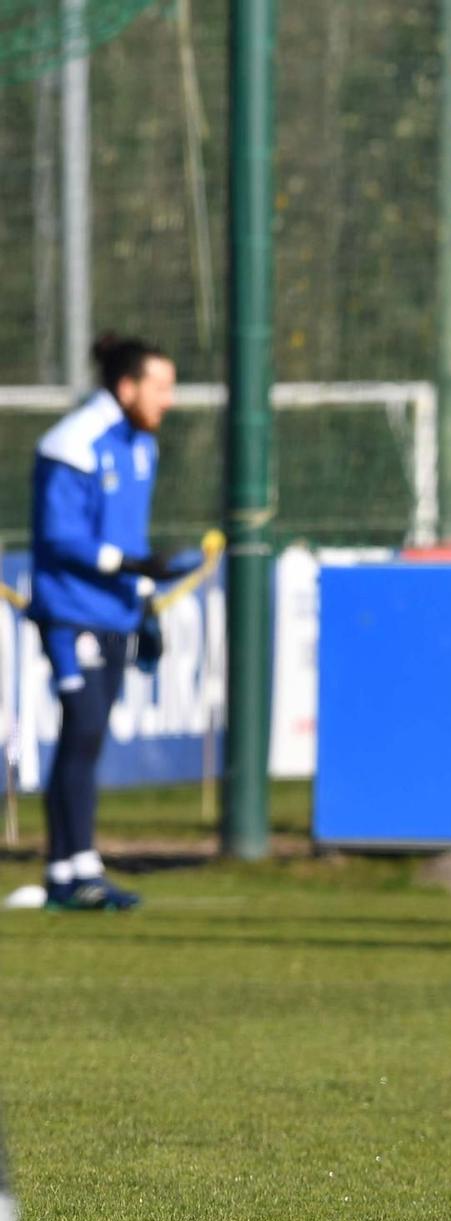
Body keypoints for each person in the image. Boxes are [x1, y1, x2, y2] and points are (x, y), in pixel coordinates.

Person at [28, 332, 180, 912]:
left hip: (116, 613)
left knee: (89, 739)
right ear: (127, 386)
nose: (168, 400)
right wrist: (129, 564)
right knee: (83, 729)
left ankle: (69, 870)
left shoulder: (142, 445)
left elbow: (129, 534)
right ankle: (73, 869)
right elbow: (60, 536)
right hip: (70, 615)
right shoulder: (71, 443)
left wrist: (142, 599)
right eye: (160, 387)